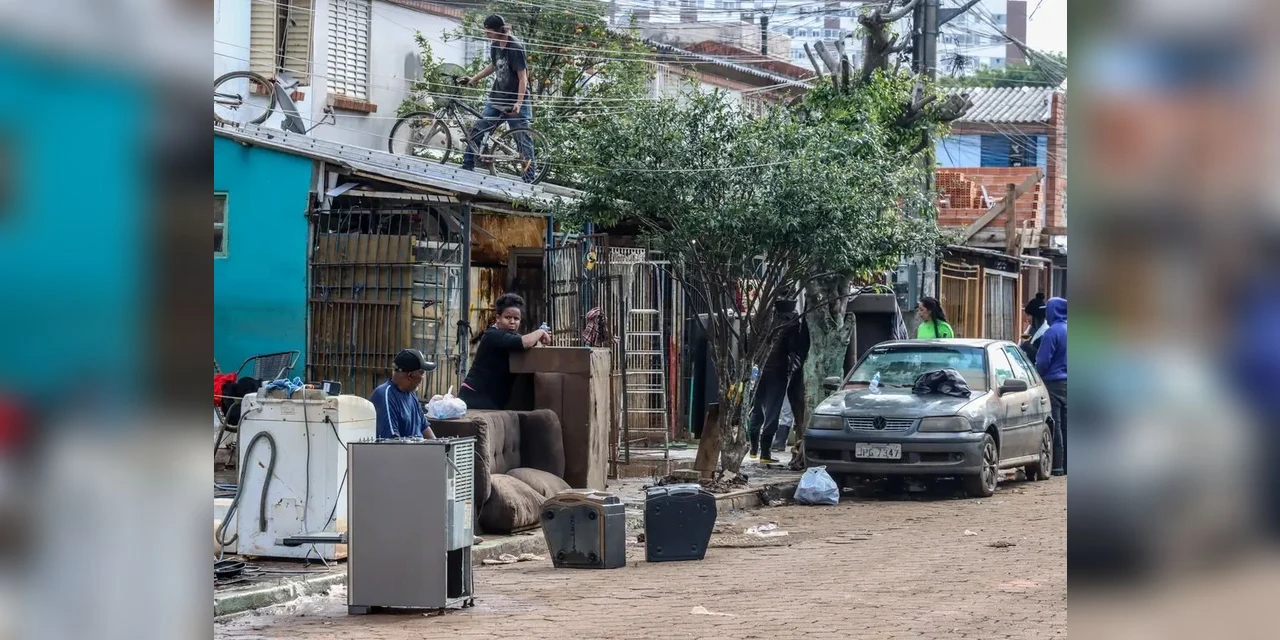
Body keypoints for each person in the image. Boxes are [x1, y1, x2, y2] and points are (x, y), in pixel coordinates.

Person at [458, 15, 536, 182]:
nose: (487, 35)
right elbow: (494, 65)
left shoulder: (515, 47)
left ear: (498, 30)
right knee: (479, 128)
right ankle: (467, 165)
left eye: (489, 32)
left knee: (522, 138)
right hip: (497, 98)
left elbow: (523, 77)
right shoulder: (495, 45)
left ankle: (529, 178)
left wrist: (518, 102)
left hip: (516, 100)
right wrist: (473, 79)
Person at [459, 293, 551, 410]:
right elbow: (523, 342)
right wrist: (540, 332)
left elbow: (525, 344)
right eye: (508, 317)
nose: (512, 322)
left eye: (516, 319)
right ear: (498, 318)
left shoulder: (510, 336)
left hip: (491, 399)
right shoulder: (492, 335)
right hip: (475, 396)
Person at [749, 299, 809, 464]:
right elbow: (793, 349)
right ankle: (765, 452)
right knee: (772, 412)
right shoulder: (790, 322)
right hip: (777, 372)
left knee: (757, 409)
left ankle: (753, 449)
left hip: (758, 369)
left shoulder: (761, 320)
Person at [370, 349, 439, 440]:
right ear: (410, 376)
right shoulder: (385, 395)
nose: (423, 378)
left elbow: (424, 427)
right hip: (403, 449)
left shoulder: (411, 394)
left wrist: (439, 446)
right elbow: (391, 441)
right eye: (422, 373)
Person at [1035, 297, 1067, 476]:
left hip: (1053, 384)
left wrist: (1036, 374)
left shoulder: (1052, 333)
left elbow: (1042, 361)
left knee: (1055, 424)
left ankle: (1057, 465)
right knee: (1068, 425)